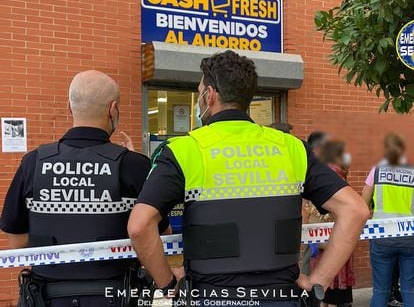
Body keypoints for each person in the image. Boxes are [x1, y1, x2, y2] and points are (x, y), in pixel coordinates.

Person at [127, 50, 370, 306]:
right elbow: (355, 210)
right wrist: (318, 280)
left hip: (212, 297)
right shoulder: (291, 148)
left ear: (209, 96)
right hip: (280, 297)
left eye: (200, 93)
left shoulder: (183, 150)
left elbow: (139, 226)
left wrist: (168, 282)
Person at [0, 70, 170, 307]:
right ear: (113, 110)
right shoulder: (133, 165)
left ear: (69, 107)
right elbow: (160, 235)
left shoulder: (33, 163)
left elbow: (17, 244)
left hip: (46, 297)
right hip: (117, 296)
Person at [362, 133, 413, 307]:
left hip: (382, 235)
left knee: (381, 290)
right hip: (410, 236)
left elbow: (363, 202)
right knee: (410, 289)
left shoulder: (377, 170)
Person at [308, 141, 355, 307]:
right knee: (333, 292)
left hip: (318, 233)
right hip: (334, 233)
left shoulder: (319, 170)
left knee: (323, 293)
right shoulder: (335, 172)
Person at [301, 131, 331, 276]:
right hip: (313, 220)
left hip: (325, 221)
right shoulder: (309, 164)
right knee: (310, 256)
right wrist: (306, 221)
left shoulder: (324, 165)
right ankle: (306, 292)